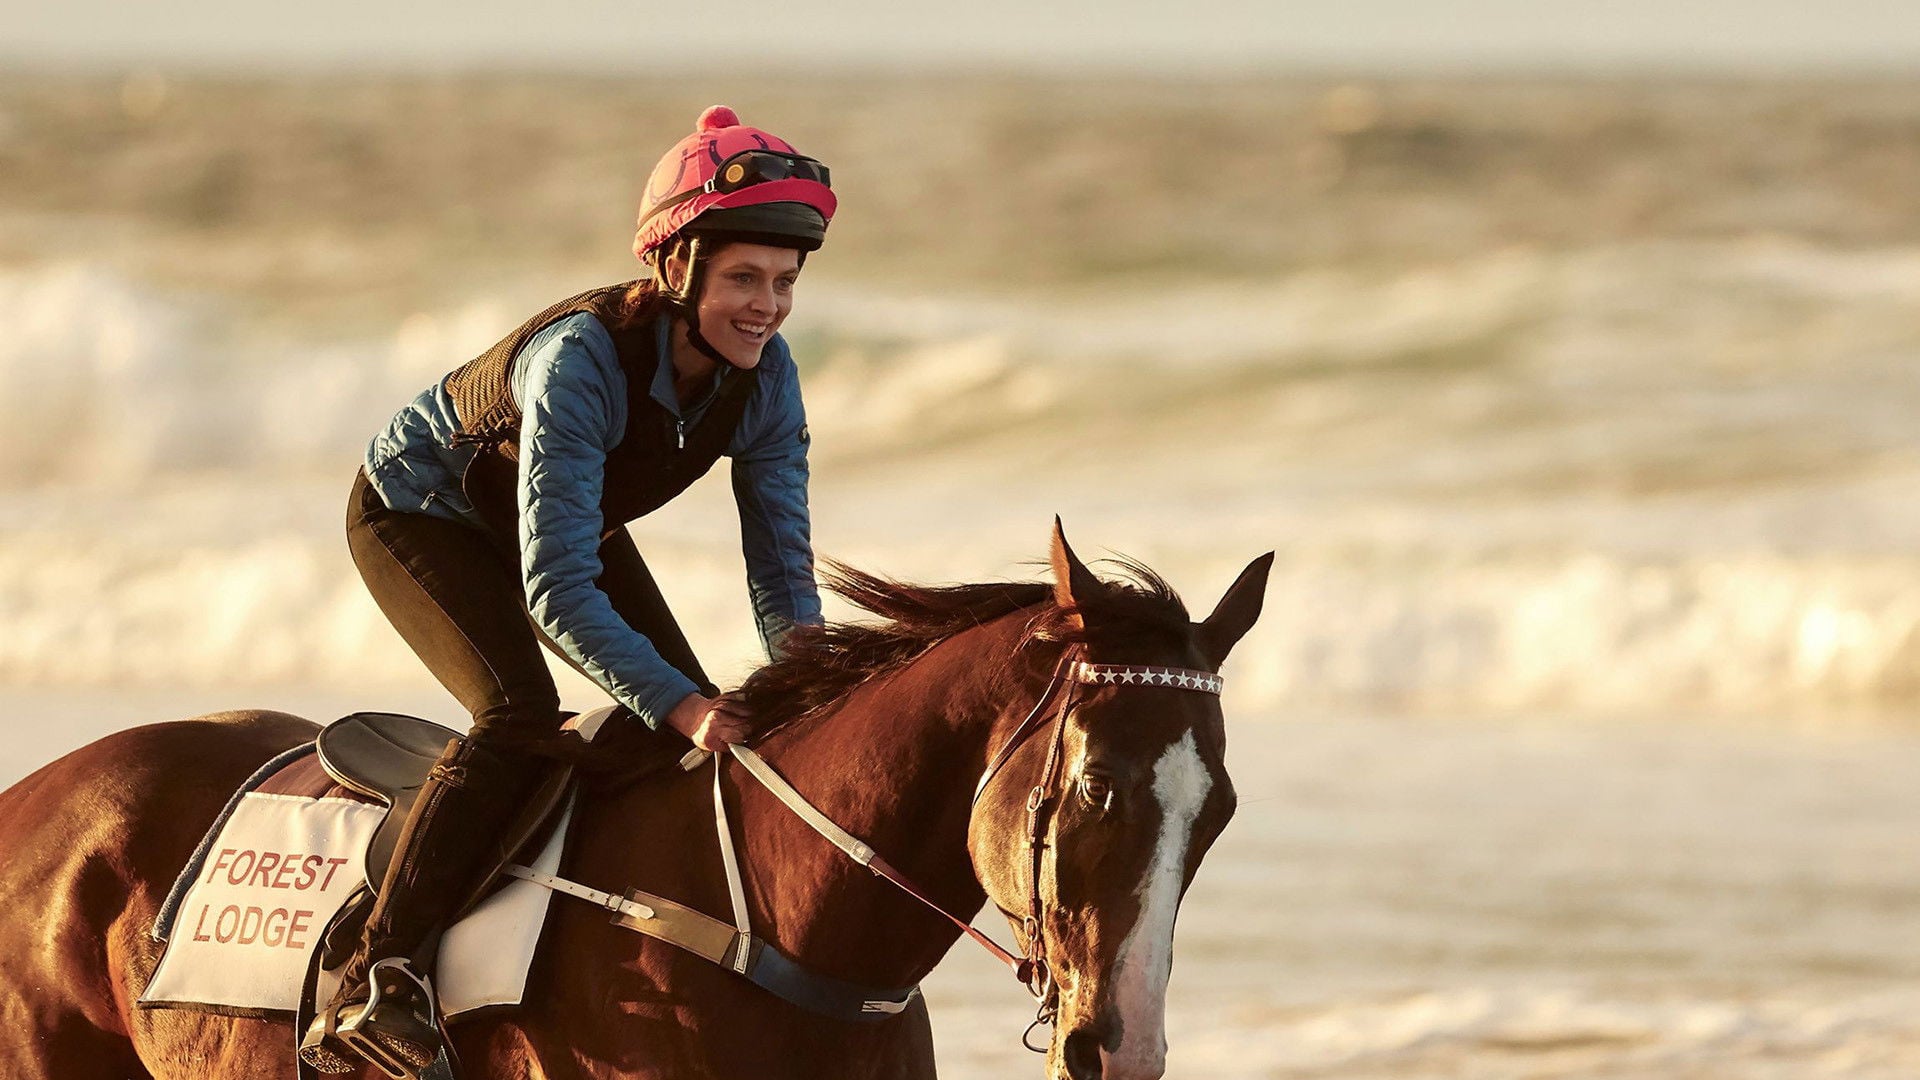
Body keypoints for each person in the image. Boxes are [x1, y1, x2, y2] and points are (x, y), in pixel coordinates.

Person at [299, 105, 835, 1075]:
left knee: (667, 726)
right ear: (676, 271)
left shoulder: (770, 379)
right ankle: (378, 976)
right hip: (418, 516)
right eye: (744, 278)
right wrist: (683, 704)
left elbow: (783, 573)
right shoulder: (582, 356)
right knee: (519, 713)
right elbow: (556, 587)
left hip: (550, 523)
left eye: (786, 283)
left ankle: (569, 930)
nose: (768, 305)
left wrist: (812, 686)